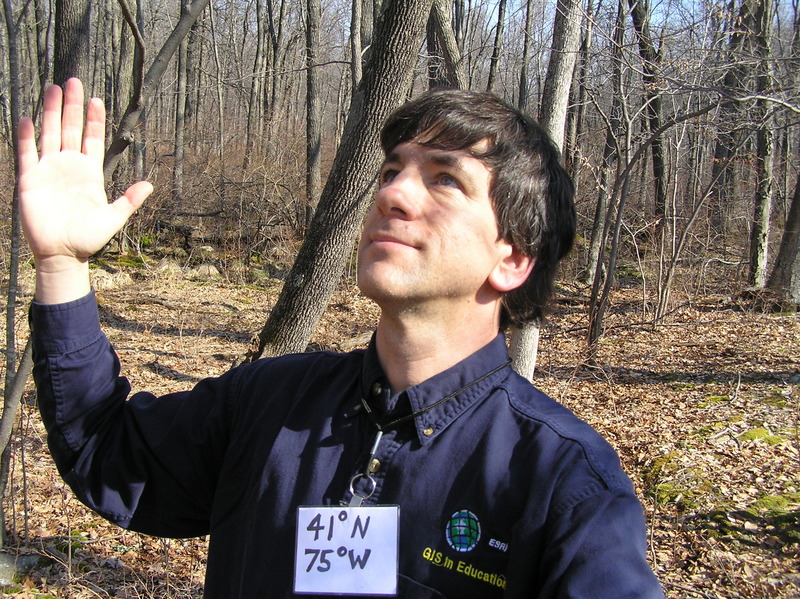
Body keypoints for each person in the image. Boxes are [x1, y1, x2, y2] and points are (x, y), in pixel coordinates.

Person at [20, 78, 664, 598]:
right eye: (392, 170)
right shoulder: (270, 401)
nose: (393, 194)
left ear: (512, 259)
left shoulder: (560, 480)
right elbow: (108, 452)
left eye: (444, 178)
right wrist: (60, 265)